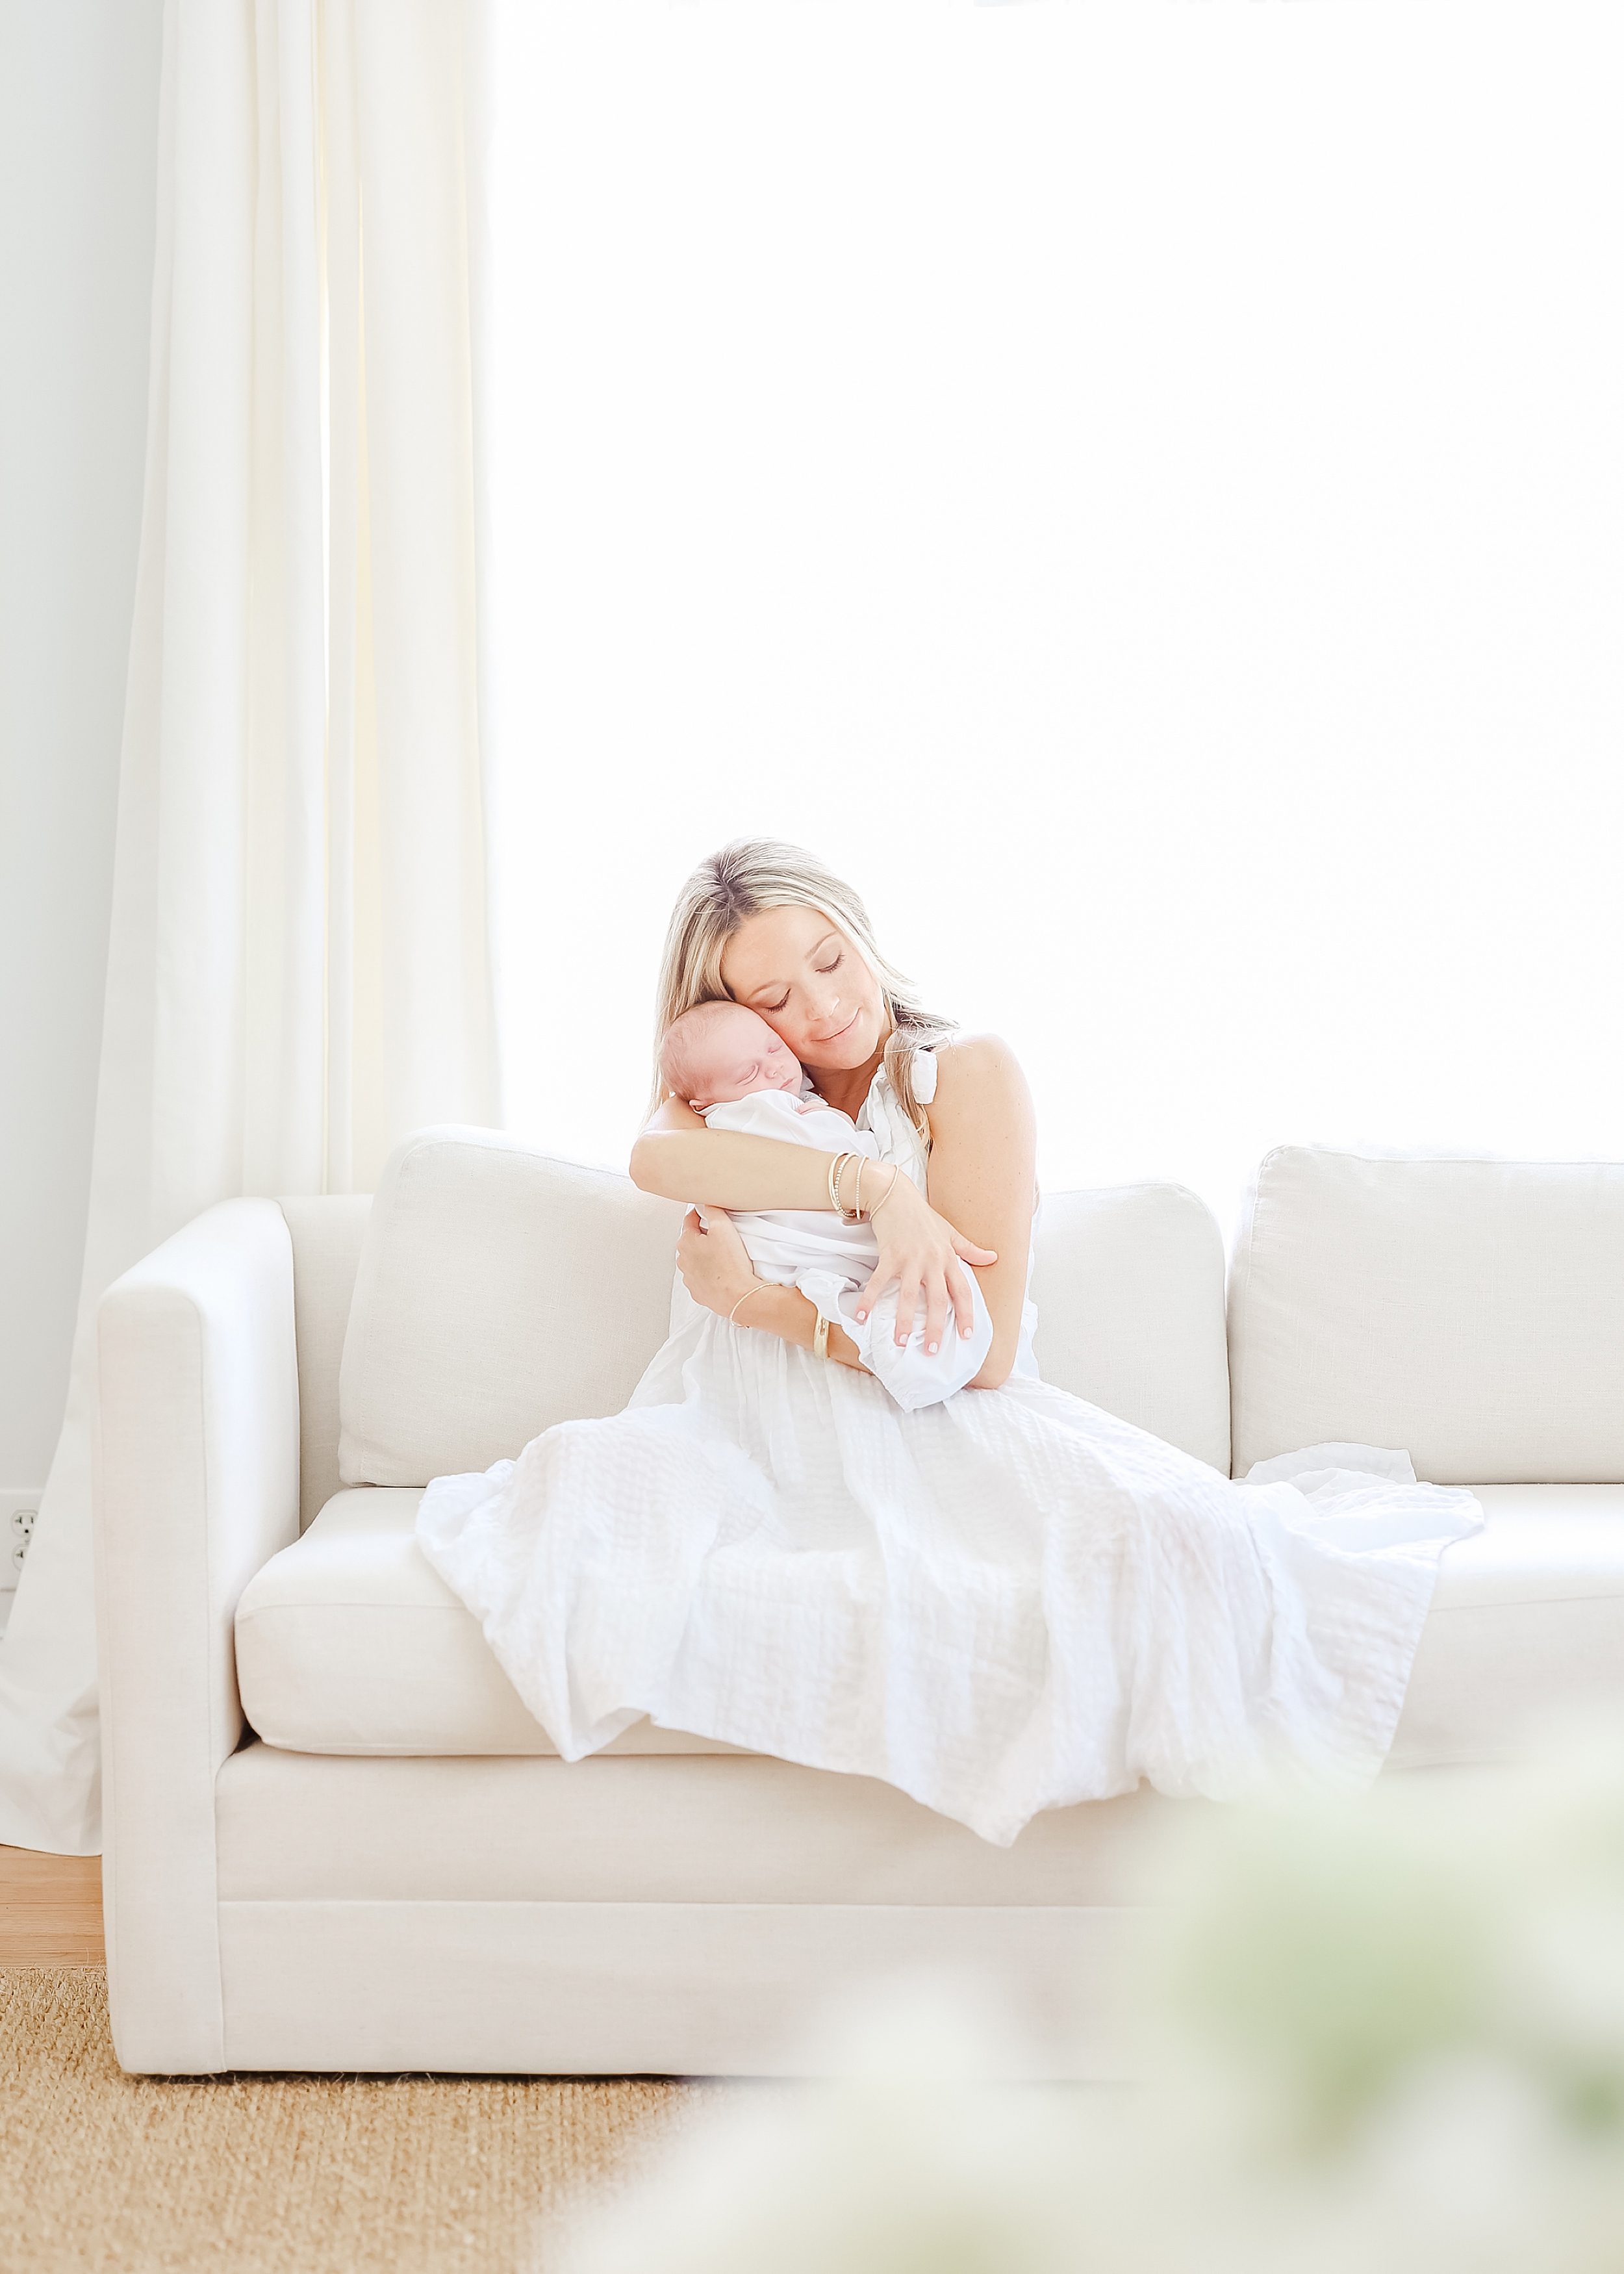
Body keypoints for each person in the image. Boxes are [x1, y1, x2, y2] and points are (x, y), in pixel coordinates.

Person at [416, 838, 1481, 1846]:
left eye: (832, 962)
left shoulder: (958, 1074)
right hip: (739, 1423)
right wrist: (875, 1189)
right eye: (773, 1000)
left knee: (1178, 1542)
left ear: (861, 930)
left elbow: (986, 1356)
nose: (825, 1010)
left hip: (934, 1410)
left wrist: (765, 1303)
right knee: (590, 1490)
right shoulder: (723, 1104)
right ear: (726, 1018)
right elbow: (656, 1165)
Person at [655, 996, 995, 1408]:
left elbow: (989, 1364)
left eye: (773, 1048)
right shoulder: (741, 1117)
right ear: (703, 1105)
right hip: (776, 1328)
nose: (775, 1067)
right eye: (748, 1073)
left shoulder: (960, 1069)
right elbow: (649, 1160)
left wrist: (749, 1298)